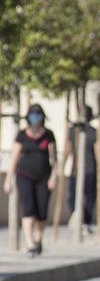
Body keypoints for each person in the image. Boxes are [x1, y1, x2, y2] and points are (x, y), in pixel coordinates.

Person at [4, 104, 57, 257]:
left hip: (44, 177)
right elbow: (14, 158)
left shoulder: (49, 135)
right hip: (24, 175)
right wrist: (8, 179)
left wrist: (54, 176)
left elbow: (54, 159)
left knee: (41, 212)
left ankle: (38, 239)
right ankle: (30, 243)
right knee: (28, 208)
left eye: (38, 115)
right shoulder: (21, 135)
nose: (35, 118)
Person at [63, 105, 100, 234]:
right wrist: (61, 166)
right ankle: (78, 218)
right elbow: (67, 149)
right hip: (76, 169)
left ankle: (86, 222)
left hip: (90, 169)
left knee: (90, 198)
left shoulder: (93, 131)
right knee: (73, 197)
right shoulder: (72, 131)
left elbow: (98, 152)